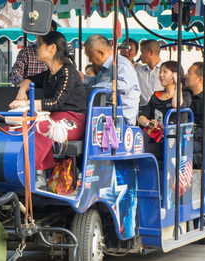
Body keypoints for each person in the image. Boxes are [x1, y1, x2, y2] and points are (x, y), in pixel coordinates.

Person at [9, 31, 87, 190]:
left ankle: (37, 172)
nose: (36, 48)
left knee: (37, 128)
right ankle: (12, 170)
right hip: (52, 117)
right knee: (14, 127)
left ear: (52, 48)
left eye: (39, 45)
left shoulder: (68, 72)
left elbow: (56, 102)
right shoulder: (48, 74)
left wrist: (28, 105)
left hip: (72, 119)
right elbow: (28, 80)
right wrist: (21, 91)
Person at [80, 34, 140, 126]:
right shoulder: (105, 68)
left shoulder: (121, 64)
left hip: (122, 121)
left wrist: (96, 88)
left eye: (91, 56)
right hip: (108, 116)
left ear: (102, 53)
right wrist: (84, 79)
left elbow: (123, 86)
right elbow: (97, 82)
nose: (90, 60)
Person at [138, 61, 192, 160]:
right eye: (160, 72)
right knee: (141, 136)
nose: (161, 75)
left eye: (165, 72)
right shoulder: (156, 95)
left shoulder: (185, 96)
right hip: (154, 136)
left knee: (145, 147)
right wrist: (148, 123)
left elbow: (176, 104)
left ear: (174, 75)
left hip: (171, 141)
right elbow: (141, 117)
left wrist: (178, 83)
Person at [9, 20, 58, 86]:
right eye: (41, 33)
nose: (45, 36)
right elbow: (15, 73)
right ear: (36, 35)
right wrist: (24, 85)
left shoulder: (58, 53)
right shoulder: (26, 53)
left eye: (49, 32)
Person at [136, 39, 163, 108]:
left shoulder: (165, 70)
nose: (140, 56)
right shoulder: (139, 71)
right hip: (142, 109)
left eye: (142, 52)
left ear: (151, 52)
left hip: (160, 108)